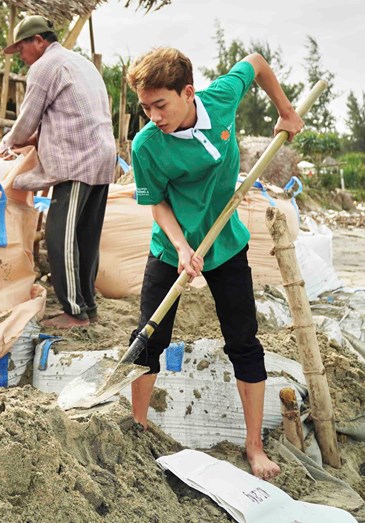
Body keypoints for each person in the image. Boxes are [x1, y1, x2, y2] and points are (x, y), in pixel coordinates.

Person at [125, 47, 304, 480]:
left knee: (243, 340)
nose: (153, 116)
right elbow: (159, 205)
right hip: (172, 248)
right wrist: (182, 249)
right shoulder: (147, 144)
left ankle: (254, 446)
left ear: (188, 92)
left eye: (160, 105)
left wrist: (286, 111)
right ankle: (137, 431)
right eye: (145, 107)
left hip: (225, 244)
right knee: (149, 339)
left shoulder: (221, 97)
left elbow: (257, 62)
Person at [0, 15, 117, 329]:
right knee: (85, 235)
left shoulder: (44, 67)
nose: (21, 57)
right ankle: (87, 307)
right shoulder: (80, 63)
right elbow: (66, 116)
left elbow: (27, 120)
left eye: (21, 48)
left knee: (59, 235)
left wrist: (9, 142)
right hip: (101, 155)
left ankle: (75, 312)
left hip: (78, 160)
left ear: (38, 40)